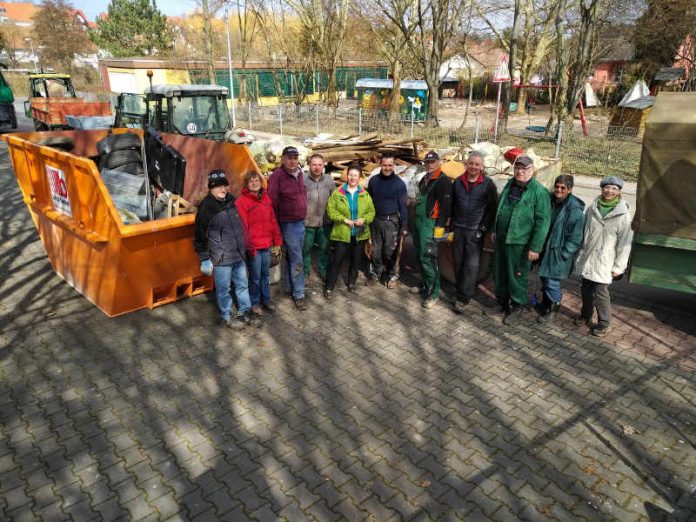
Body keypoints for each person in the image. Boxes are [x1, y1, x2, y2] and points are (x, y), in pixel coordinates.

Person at [193, 169, 261, 330]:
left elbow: (243, 226)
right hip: (221, 258)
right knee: (224, 289)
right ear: (211, 187)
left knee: (242, 285)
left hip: (238, 254)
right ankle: (227, 314)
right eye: (218, 186)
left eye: (224, 186)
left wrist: (247, 246)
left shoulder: (233, 201)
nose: (222, 189)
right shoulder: (206, 209)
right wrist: (204, 259)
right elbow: (199, 237)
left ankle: (244, 311)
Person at [492, 155, 551, 326]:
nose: (520, 171)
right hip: (503, 237)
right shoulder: (510, 184)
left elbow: (543, 222)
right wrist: (495, 229)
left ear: (532, 170)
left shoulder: (539, 192)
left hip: (520, 242)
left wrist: (535, 247)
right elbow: (501, 207)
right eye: (517, 168)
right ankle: (501, 303)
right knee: (500, 272)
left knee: (517, 275)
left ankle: (517, 306)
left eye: (524, 169)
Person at [573, 176, 633, 337]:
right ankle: (585, 315)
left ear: (619, 191)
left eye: (614, 188)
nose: (609, 191)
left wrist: (619, 267)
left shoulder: (623, 214)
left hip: (605, 259)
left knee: (601, 293)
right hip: (589, 255)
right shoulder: (593, 207)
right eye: (607, 187)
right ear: (602, 188)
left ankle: (604, 323)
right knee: (585, 289)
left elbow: (625, 243)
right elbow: (585, 231)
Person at [451, 151, 498, 313]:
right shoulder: (457, 183)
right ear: (466, 164)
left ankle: (464, 298)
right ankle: (459, 291)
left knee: (471, 266)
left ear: (482, 167)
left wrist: (484, 228)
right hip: (458, 228)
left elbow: (493, 209)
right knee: (458, 262)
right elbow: (452, 205)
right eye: (471, 163)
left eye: (477, 164)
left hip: (474, 231)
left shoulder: (487, 184)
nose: (473, 167)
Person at [536, 175, 585, 323]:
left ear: (569, 190)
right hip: (546, 248)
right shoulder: (550, 200)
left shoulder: (574, 209)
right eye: (557, 186)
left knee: (552, 281)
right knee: (544, 277)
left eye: (563, 188)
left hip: (558, 252)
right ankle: (546, 304)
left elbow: (576, 237)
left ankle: (554, 311)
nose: (559, 190)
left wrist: (564, 253)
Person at [323, 165, 376, 300]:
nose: (352, 178)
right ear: (347, 176)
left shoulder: (364, 194)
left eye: (355, 176)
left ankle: (351, 282)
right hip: (342, 233)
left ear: (359, 178)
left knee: (356, 261)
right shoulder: (338, 192)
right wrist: (344, 220)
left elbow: (371, 212)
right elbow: (331, 211)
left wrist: (363, 219)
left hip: (359, 233)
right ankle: (329, 287)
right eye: (351, 175)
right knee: (337, 261)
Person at [235, 171, 283, 315]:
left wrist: (277, 240)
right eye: (251, 181)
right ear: (246, 185)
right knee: (255, 277)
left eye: (256, 180)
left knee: (265, 275)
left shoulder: (266, 199)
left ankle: (266, 300)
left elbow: (272, 220)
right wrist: (249, 247)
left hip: (267, 244)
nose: (254, 183)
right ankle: (254, 302)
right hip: (254, 247)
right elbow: (243, 227)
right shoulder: (241, 202)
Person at [410, 150, 453, 308]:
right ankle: (426, 285)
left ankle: (434, 293)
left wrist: (440, 228)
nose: (429, 164)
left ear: (439, 162)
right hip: (418, 222)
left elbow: (446, 206)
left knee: (427, 257)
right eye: (427, 162)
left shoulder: (443, 181)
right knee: (419, 254)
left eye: (432, 162)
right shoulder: (424, 179)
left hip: (431, 224)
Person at [267, 146, 308, 310]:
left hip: (300, 221)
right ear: (283, 159)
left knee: (292, 257)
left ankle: (288, 288)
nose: (292, 161)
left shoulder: (299, 174)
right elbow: (272, 202)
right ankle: (299, 294)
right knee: (297, 259)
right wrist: (276, 225)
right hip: (288, 224)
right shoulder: (278, 176)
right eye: (289, 158)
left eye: (295, 157)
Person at [367, 153, 409, 288]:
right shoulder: (373, 181)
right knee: (375, 250)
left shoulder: (399, 184)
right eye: (384, 165)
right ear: (380, 164)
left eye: (390, 165)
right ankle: (375, 273)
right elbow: (368, 202)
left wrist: (404, 226)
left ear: (394, 165)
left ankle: (392, 275)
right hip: (375, 221)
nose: (387, 168)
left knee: (390, 251)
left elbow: (403, 207)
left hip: (392, 222)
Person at [303, 154, 335, 283]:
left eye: (319, 165)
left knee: (324, 249)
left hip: (325, 221)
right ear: (309, 165)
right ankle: (305, 273)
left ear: (323, 166)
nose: (317, 167)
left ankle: (323, 271)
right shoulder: (303, 180)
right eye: (314, 164)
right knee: (305, 249)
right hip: (307, 222)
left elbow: (334, 199)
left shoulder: (329, 180)